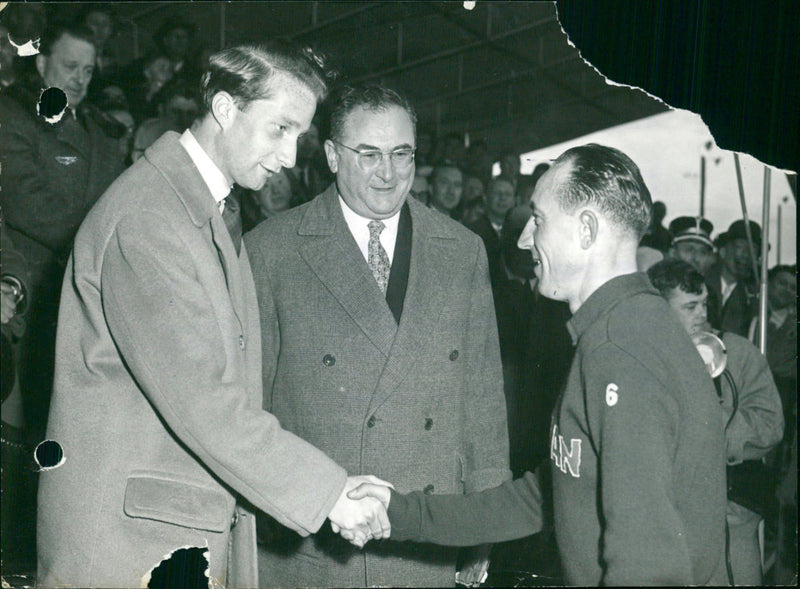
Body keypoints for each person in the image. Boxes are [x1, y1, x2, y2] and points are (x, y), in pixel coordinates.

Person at [36, 43, 390, 588]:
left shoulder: (203, 208)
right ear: (225, 109)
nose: (292, 158)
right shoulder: (151, 217)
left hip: (166, 532)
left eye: (301, 136)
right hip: (125, 549)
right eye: (280, 129)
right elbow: (204, 401)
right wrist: (327, 493)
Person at [349, 144, 728, 586]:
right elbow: (547, 495)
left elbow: (648, 565)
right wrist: (401, 511)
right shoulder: (620, 329)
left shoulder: (622, 353)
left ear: (586, 229)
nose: (524, 238)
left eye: (540, 219)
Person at [245, 83, 510, 588]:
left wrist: (483, 525)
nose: (388, 173)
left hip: (426, 534)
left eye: (401, 153)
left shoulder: (462, 250)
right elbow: (246, 409)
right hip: (312, 541)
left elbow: (483, 404)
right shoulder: (271, 251)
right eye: (368, 154)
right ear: (330, 156)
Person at [0, 22, 126, 442]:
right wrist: (106, 248)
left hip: (91, 300)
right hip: (34, 297)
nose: (79, 78)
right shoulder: (12, 116)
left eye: (88, 71)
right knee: (25, 431)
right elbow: (27, 204)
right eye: (70, 66)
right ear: (41, 64)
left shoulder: (104, 131)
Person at [648, 259, 783, 585]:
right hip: (663, 518)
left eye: (705, 303)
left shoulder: (737, 353)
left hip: (731, 517)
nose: (703, 314)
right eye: (690, 306)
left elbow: (771, 426)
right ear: (659, 308)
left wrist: (712, 421)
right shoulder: (642, 356)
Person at [706, 219, 761, 336]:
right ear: (723, 251)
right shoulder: (702, 282)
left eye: (753, 250)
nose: (746, 255)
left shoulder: (752, 298)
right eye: (740, 247)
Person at [468, 176, 516, 286]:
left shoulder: (519, 233)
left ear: (514, 200)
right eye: (497, 193)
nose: (502, 198)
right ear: (485, 198)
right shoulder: (472, 231)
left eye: (507, 194)